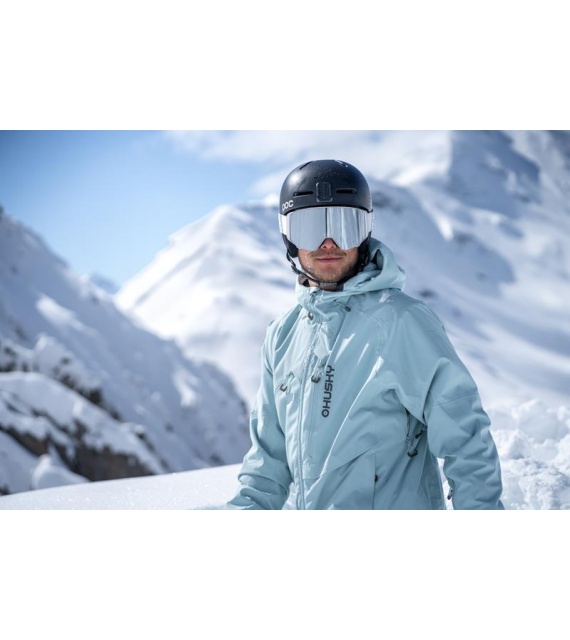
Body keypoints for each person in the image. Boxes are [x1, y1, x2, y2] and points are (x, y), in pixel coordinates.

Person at [226, 159, 504, 510]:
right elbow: (267, 463)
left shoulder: (402, 321)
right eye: (310, 228)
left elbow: (465, 437)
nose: (328, 243)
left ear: (365, 232)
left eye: (345, 226)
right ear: (288, 237)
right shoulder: (282, 335)